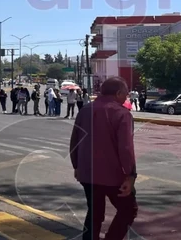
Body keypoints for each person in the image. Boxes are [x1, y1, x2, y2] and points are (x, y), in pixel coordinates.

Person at [69, 77, 138, 240]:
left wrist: (77, 166)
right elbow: (126, 148)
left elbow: (74, 141)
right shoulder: (122, 113)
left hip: (87, 173)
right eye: (126, 93)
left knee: (94, 212)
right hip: (113, 176)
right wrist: (130, 175)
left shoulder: (85, 110)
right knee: (128, 209)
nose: (127, 97)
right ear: (119, 93)